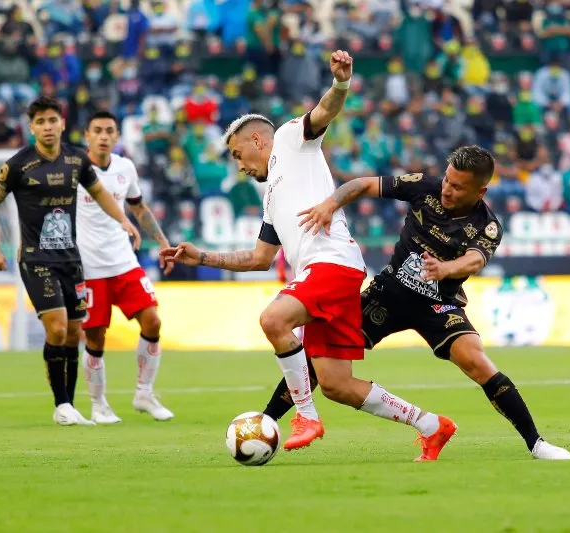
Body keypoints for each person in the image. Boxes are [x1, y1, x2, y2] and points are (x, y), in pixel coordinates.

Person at [161, 51, 456, 461]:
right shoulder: (272, 199)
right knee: (337, 384)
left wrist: (340, 84)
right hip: (331, 273)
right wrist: (201, 257)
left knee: (273, 319)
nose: (239, 165)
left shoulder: (287, 140)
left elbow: (323, 113)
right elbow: (259, 258)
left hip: (331, 263)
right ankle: (431, 425)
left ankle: (305, 416)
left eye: (236, 154)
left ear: (256, 140)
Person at [264, 146, 570, 460]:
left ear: (480, 192)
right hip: (386, 295)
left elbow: (473, 260)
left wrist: (445, 269)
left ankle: (537, 444)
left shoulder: (487, 225)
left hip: (437, 305)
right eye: (447, 181)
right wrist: (330, 203)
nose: (447, 190)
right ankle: (266, 422)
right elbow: (363, 184)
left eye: (457, 187)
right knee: (323, 357)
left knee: (477, 361)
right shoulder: (425, 187)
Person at [0, 97, 141, 426]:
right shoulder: (18, 165)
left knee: (74, 332)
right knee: (56, 326)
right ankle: (62, 404)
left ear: (62, 124)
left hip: (71, 258)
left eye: (53, 120)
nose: (48, 127)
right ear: (32, 127)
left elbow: (99, 194)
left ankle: (69, 406)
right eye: (41, 122)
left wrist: (123, 220)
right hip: (37, 259)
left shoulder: (75, 160)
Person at [77, 111, 175, 424]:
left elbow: (138, 207)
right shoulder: (74, 171)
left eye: (109, 131)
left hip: (123, 261)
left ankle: (144, 392)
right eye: (97, 130)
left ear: (117, 136)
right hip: (89, 268)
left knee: (153, 321)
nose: (104, 136)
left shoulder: (125, 167)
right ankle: (99, 404)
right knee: (95, 338)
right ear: (87, 136)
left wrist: (162, 242)